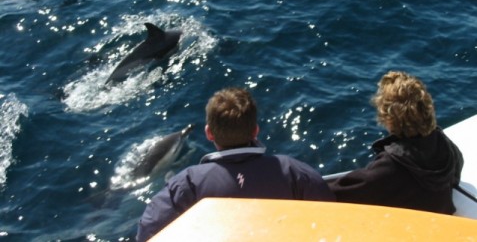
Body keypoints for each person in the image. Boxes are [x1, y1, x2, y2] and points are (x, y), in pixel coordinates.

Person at [137, 87, 335, 241]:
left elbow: (148, 232)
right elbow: (332, 220)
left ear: (209, 133)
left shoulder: (186, 184)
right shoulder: (294, 172)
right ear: (255, 130)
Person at [328, 71, 463, 214]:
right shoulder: (443, 143)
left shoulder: (390, 166)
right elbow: (456, 173)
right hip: (441, 216)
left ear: (390, 118)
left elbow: (339, 194)